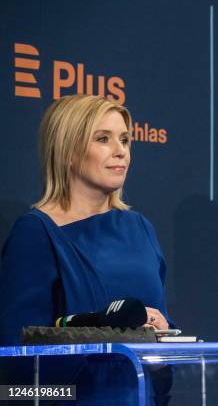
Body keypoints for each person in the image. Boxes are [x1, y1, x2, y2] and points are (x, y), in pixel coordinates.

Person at [0, 94, 172, 346]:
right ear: (67, 151)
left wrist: (162, 340)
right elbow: (18, 350)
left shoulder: (139, 228)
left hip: (143, 384)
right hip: (77, 386)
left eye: (125, 140)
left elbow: (165, 327)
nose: (121, 151)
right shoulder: (36, 233)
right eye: (103, 139)